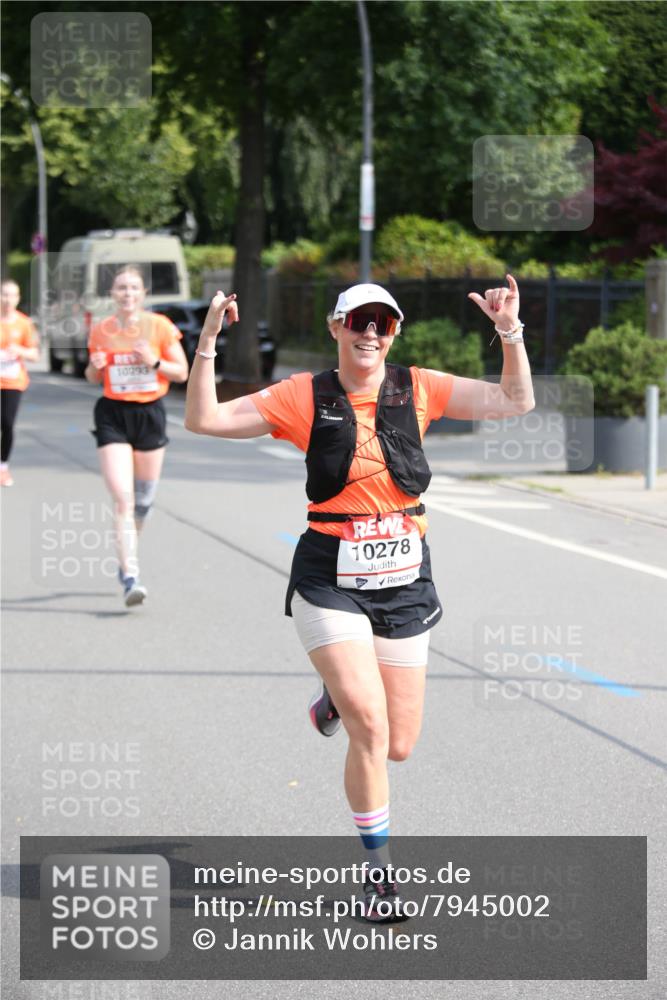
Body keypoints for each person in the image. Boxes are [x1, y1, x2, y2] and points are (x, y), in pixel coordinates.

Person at [185, 277, 534, 921]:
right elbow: (204, 419)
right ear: (335, 326)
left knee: (398, 743)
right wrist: (207, 340)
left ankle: (333, 703)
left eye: (383, 322)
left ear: (393, 332)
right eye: (358, 321)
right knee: (370, 727)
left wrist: (508, 331)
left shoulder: (418, 386)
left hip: (405, 580)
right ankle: (379, 877)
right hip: (329, 575)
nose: (370, 332)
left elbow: (516, 399)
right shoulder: (303, 395)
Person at [85, 265, 188, 606]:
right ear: (112, 295)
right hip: (112, 414)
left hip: (149, 415)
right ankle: (130, 574)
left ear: (143, 294)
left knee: (142, 503)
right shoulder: (101, 330)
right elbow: (91, 376)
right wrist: (95, 367)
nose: (127, 293)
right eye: (120, 288)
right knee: (123, 499)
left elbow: (182, 372)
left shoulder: (159, 326)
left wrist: (153, 361)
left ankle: (129, 548)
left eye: (133, 288)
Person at [0, 279, 40, 487]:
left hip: (13, 381)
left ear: (18, 298)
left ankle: (3, 466)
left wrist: (20, 351)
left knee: (7, 423)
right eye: (3, 294)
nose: (7, 300)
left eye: (11, 295)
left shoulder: (24, 324)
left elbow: (35, 354)